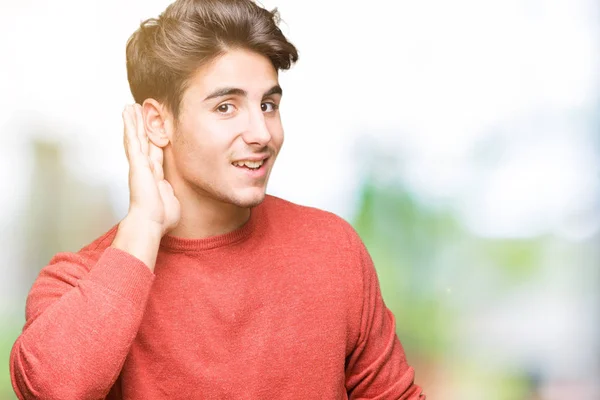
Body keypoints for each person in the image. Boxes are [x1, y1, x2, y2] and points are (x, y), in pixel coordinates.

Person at [9, 0, 425, 398]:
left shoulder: (332, 249)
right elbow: (53, 391)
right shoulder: (78, 281)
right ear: (158, 122)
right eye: (226, 107)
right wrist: (144, 227)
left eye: (268, 105)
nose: (262, 133)